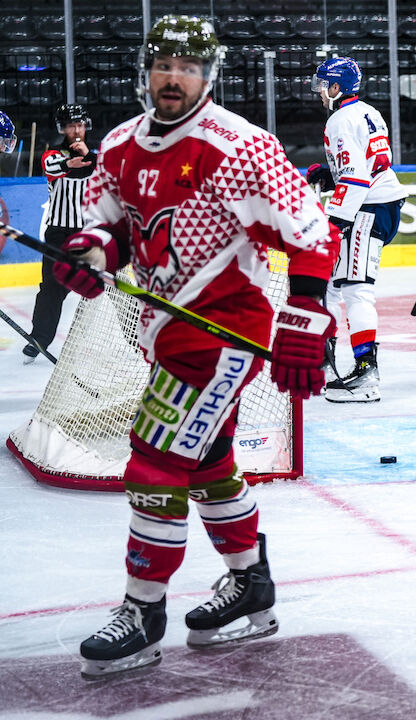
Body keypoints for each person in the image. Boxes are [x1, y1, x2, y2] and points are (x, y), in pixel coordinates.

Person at [52, 15, 337, 679]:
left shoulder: (239, 147)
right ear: (146, 72)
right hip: (165, 332)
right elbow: (114, 231)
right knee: (206, 462)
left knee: (154, 460)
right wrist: (87, 254)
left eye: (188, 66)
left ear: (208, 75)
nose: (174, 77)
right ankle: (250, 582)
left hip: (222, 334)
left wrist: (304, 317)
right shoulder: (119, 145)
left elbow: (311, 232)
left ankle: (143, 611)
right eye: (164, 65)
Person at [305, 56, 407, 403]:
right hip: (376, 204)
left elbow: (356, 178)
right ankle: (325, 358)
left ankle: (366, 372)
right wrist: (331, 176)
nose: (320, 92)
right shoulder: (367, 112)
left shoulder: (340, 120)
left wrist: (333, 222)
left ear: (337, 87)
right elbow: (366, 165)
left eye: (323, 85)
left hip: (367, 208)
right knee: (334, 285)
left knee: (355, 288)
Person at [25, 104, 97, 364]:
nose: (76, 130)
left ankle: (135, 335)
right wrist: (69, 162)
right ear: (62, 129)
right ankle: (39, 339)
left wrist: (89, 156)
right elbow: (52, 167)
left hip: (90, 234)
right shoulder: (53, 154)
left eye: (79, 125)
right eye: (70, 126)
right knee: (51, 289)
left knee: (112, 286)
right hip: (59, 235)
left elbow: (108, 171)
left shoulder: (97, 155)